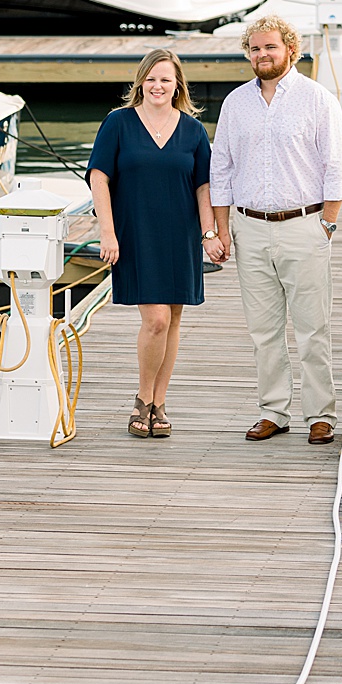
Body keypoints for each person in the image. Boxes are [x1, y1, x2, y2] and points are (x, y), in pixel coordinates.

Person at [210, 13, 342, 445]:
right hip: (249, 228)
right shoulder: (235, 104)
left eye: (270, 47)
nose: (262, 55)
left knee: (312, 328)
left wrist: (327, 222)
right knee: (263, 330)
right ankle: (274, 410)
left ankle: (320, 415)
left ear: (290, 49)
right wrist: (219, 231)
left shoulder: (316, 99)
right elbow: (222, 170)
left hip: (304, 225)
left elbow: (337, 164)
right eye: (254, 48)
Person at [88, 49, 224, 439]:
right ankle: (142, 400)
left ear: (177, 84)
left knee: (174, 318)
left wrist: (209, 234)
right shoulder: (119, 123)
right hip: (135, 232)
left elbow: (203, 186)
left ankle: (159, 403)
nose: (157, 86)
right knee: (157, 319)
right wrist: (108, 232)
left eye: (165, 79)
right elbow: (99, 178)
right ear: (140, 83)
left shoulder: (194, 131)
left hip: (179, 235)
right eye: (151, 79)